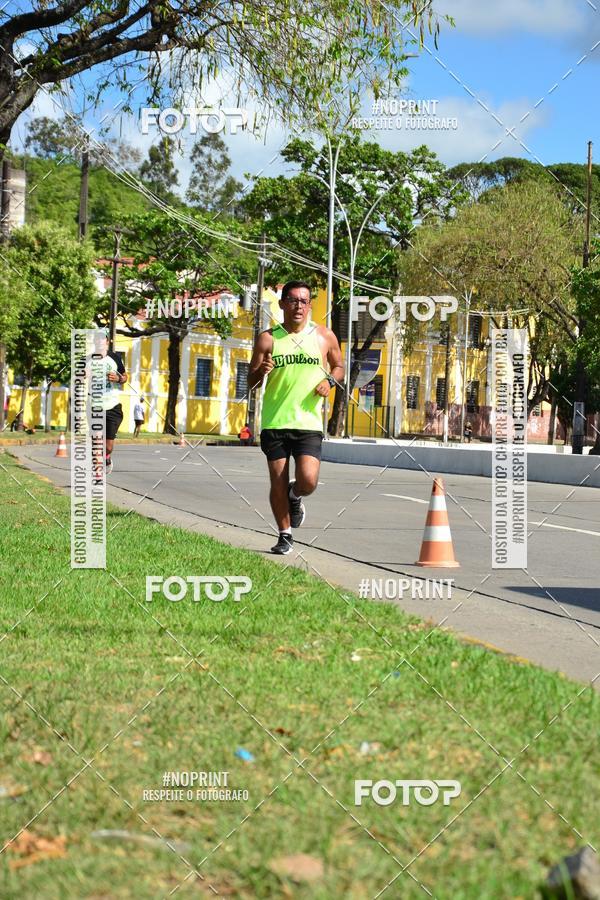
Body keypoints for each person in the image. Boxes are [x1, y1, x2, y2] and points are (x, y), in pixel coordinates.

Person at [248, 280, 344, 555]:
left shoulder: (324, 336)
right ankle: (285, 534)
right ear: (282, 304)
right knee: (277, 480)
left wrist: (330, 381)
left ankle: (295, 495)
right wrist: (261, 371)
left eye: (304, 301)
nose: (298, 306)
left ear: (310, 305)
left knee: (308, 481)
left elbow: (338, 367)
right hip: (275, 421)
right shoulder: (268, 338)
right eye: (292, 300)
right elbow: (251, 382)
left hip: (308, 423)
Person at [91, 334, 127, 474]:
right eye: (97, 340)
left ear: (107, 342)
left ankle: (107, 457)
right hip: (95, 405)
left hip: (112, 405)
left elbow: (125, 377)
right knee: (97, 441)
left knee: (108, 446)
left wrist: (118, 378)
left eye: (102, 341)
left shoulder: (115, 358)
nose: (100, 343)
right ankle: (97, 474)